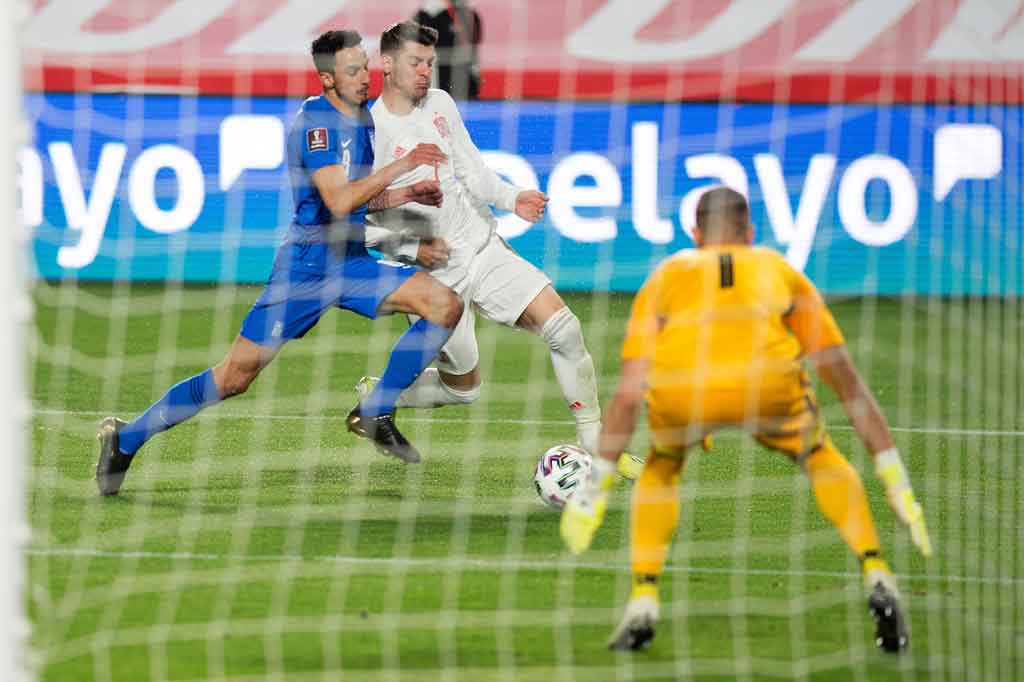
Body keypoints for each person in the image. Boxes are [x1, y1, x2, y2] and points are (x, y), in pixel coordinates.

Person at [559, 187, 933, 652]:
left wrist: (594, 491)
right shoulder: (779, 270)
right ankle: (875, 567)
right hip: (768, 384)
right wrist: (895, 480)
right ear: (751, 232)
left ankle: (644, 598)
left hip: (686, 389)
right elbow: (848, 383)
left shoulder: (666, 276)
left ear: (694, 234)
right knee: (818, 454)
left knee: (661, 467)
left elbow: (628, 394)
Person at [94, 29, 464, 494]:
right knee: (234, 377)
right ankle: (125, 440)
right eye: (353, 71)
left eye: (366, 67)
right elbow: (336, 200)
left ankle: (376, 409)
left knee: (445, 305)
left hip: (351, 262)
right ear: (328, 78)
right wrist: (403, 167)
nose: (365, 78)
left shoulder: (363, 122)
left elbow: (358, 200)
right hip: (306, 271)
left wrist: (405, 193)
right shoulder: (314, 123)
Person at [359, 21, 641, 479]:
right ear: (386, 64)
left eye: (430, 63)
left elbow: (473, 170)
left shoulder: (441, 104)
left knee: (564, 329)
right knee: (465, 389)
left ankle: (596, 440)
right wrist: (414, 246)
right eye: (415, 62)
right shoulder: (372, 131)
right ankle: (384, 392)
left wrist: (513, 199)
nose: (426, 71)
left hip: (482, 247)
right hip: (434, 278)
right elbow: (360, 222)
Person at [413, 1, 483, 100]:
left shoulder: (471, 15)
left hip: (465, 81)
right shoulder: (428, 14)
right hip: (439, 80)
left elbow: (473, 49)